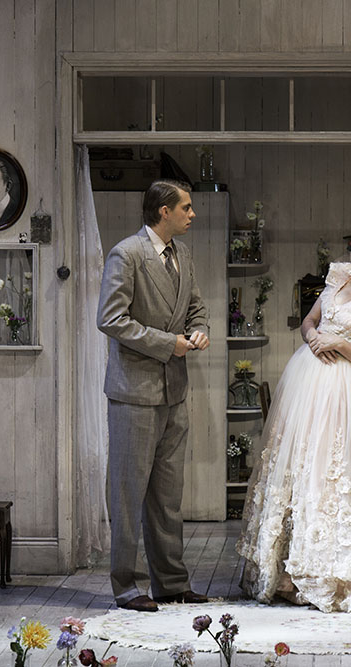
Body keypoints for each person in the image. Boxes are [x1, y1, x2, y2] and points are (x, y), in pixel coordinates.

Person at [237, 220, 351, 613]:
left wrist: (339, 343)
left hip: (346, 394)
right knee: (298, 469)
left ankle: (327, 571)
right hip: (306, 383)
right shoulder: (340, 277)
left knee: (331, 473)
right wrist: (314, 338)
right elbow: (309, 322)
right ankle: (284, 573)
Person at [96, 179, 211, 612]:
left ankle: (171, 583)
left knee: (167, 495)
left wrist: (199, 330)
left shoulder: (183, 255)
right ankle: (127, 586)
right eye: (186, 207)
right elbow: (111, 319)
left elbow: (196, 306)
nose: (192, 214)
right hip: (134, 392)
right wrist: (169, 344)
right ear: (164, 211)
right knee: (128, 496)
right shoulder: (127, 254)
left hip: (174, 391)